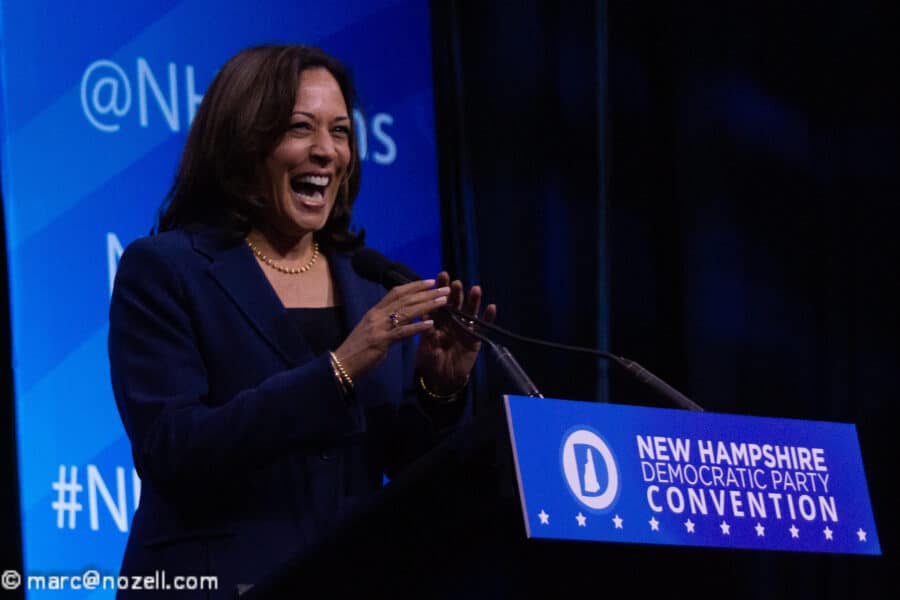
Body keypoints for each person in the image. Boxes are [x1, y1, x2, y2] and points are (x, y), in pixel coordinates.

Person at [108, 44, 496, 598]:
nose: (326, 152)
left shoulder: (369, 285)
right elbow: (173, 448)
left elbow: (405, 471)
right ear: (244, 144)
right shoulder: (165, 270)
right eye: (300, 128)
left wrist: (439, 391)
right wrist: (337, 370)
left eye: (339, 132)